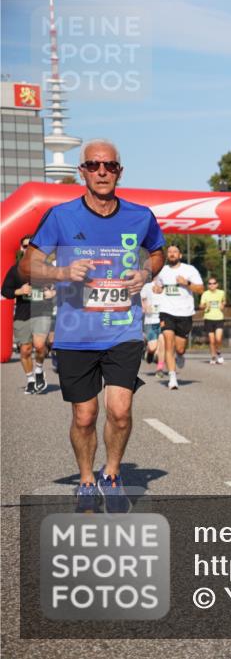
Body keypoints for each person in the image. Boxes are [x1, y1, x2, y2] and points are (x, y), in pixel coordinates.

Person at [18, 138, 165, 512]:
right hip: (75, 332)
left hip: (123, 329)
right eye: (94, 165)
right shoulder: (61, 216)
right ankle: (86, 478)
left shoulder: (140, 216)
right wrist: (62, 271)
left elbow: (158, 252)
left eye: (110, 166)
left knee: (119, 411)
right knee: (84, 417)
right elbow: (26, 266)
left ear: (120, 171)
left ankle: (112, 476)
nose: (102, 172)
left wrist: (145, 271)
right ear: (81, 171)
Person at [2, 237, 55, 393]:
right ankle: (31, 379)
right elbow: (5, 291)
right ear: (22, 249)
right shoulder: (15, 270)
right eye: (26, 246)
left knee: (39, 345)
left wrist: (54, 292)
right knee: (25, 350)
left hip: (42, 311)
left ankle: (39, 369)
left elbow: (65, 286)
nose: (29, 249)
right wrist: (20, 291)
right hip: (23, 313)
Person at [152, 246, 204, 390]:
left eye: (175, 252)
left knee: (180, 348)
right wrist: (157, 289)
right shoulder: (162, 270)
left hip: (185, 313)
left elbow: (200, 289)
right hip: (166, 311)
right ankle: (172, 377)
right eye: (169, 252)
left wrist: (186, 283)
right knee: (169, 343)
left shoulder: (189, 270)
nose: (172, 254)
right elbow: (159, 286)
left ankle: (180, 355)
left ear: (180, 255)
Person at [140, 280, 165, 379]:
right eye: (160, 288)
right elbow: (142, 298)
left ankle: (160, 369)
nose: (161, 290)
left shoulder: (166, 285)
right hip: (150, 321)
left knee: (162, 345)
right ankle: (149, 352)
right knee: (153, 347)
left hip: (162, 321)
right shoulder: (147, 286)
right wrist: (145, 307)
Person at [200, 276, 226, 364]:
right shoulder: (205, 294)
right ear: (208, 285)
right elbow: (201, 305)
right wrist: (204, 306)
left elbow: (223, 302)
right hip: (208, 318)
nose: (212, 285)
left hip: (219, 318)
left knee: (218, 339)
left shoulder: (221, 293)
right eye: (210, 284)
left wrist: (223, 305)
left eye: (213, 283)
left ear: (217, 284)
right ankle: (213, 356)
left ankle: (217, 351)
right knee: (211, 340)